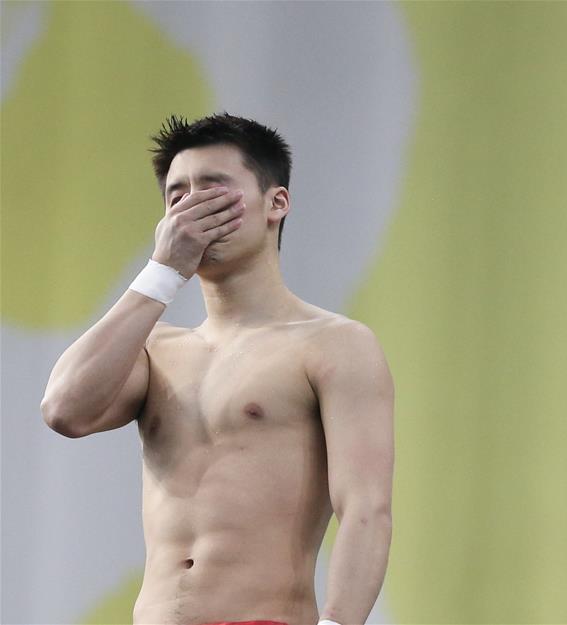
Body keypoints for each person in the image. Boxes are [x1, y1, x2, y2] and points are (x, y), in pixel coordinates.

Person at [40, 114, 395, 625]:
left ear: (277, 203)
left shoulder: (334, 345)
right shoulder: (154, 350)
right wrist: (161, 273)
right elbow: (64, 411)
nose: (193, 208)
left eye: (214, 189)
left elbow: (366, 509)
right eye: (178, 196)